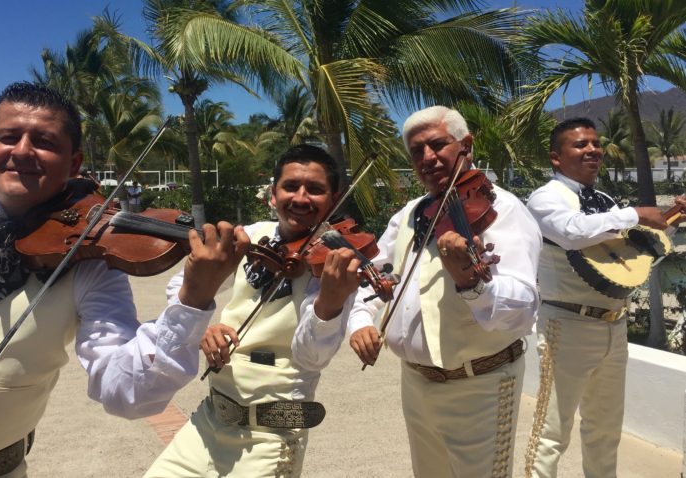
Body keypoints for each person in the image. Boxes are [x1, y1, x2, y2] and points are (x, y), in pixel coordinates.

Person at [0, 82, 249, 477]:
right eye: (8, 137)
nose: (23, 151)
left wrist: (193, 298)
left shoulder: (91, 257)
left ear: (74, 164)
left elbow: (127, 394)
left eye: (44, 141)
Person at [144, 144, 362, 477]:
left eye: (315, 190)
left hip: (271, 435)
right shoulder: (251, 236)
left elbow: (311, 358)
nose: (301, 198)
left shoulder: (334, 265)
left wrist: (329, 304)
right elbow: (181, 287)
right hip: (209, 419)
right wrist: (202, 325)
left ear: (333, 200)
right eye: (291, 186)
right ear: (273, 194)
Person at [348, 106, 541, 477]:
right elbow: (374, 274)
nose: (427, 158)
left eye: (438, 145)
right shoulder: (409, 213)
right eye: (417, 151)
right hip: (415, 383)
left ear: (465, 145)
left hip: (479, 386)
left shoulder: (503, 209)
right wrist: (359, 320)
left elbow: (524, 305)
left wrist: (473, 283)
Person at [523, 118, 686, 477]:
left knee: (605, 429)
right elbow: (571, 232)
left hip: (613, 326)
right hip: (566, 325)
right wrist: (634, 213)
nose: (593, 150)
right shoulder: (546, 197)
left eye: (596, 143)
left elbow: (630, 261)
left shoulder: (605, 201)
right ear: (556, 157)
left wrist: (670, 221)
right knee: (551, 433)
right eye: (581, 145)